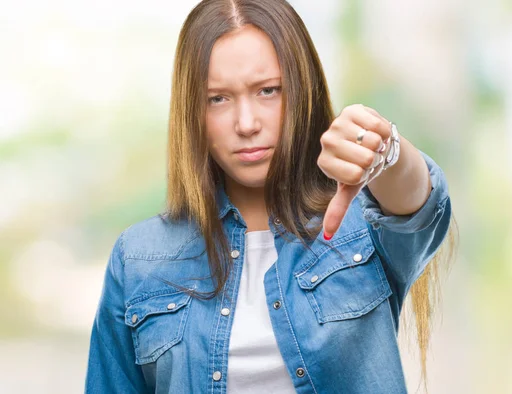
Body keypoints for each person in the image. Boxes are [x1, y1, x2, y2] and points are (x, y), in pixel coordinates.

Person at [85, 0, 458, 393]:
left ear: (301, 90)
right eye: (218, 98)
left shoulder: (363, 222)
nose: (246, 124)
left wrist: (385, 150)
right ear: (191, 110)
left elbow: (421, 205)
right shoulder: (139, 259)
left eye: (267, 90)